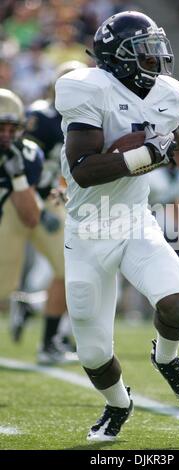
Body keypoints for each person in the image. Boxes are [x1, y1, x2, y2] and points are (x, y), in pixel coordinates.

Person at [55, 12, 179, 442]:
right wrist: (144, 156)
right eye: (143, 49)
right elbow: (83, 170)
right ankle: (118, 404)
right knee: (95, 352)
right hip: (88, 229)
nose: (156, 56)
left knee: (177, 302)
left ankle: (168, 359)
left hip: (136, 220)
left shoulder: (168, 93)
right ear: (117, 58)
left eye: (156, 45)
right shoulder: (85, 88)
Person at [8, 61, 87, 363]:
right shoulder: (41, 117)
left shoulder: (84, 120)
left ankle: (49, 341)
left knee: (69, 271)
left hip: (50, 199)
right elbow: (21, 162)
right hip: (19, 198)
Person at [0, 89, 41, 229]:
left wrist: (18, 176)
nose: (6, 136)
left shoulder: (24, 155)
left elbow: (31, 219)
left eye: (12, 130)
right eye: (0, 129)